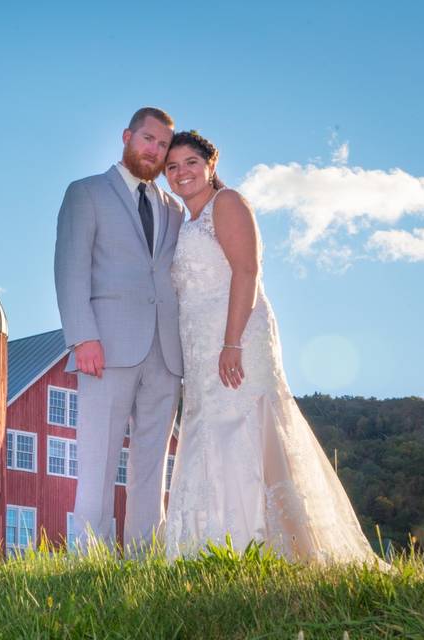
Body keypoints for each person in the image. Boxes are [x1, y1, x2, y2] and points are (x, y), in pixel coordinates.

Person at [163, 130, 379, 563]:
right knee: (209, 433)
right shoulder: (184, 224)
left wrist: (232, 342)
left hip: (237, 339)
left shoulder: (228, 204)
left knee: (244, 427)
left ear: (211, 165)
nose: (181, 173)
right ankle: (214, 549)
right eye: (171, 167)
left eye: (190, 162)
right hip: (199, 349)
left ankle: (268, 545)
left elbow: (247, 271)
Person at [54, 107, 185, 551]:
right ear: (127, 136)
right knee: (98, 457)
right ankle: (89, 556)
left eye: (163, 144)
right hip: (105, 345)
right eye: (147, 139)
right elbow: (70, 268)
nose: (154, 150)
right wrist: (82, 336)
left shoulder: (174, 209)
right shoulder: (86, 193)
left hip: (166, 351)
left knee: (152, 462)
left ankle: (146, 558)